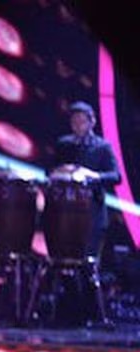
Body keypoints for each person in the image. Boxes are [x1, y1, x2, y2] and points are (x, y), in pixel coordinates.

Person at [50, 100, 120, 262]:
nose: (77, 125)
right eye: (74, 121)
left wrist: (93, 175)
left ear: (92, 122)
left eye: (81, 121)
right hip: (63, 209)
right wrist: (60, 171)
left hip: (92, 211)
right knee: (63, 259)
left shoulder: (102, 146)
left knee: (87, 261)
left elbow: (116, 176)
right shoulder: (64, 144)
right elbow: (49, 171)